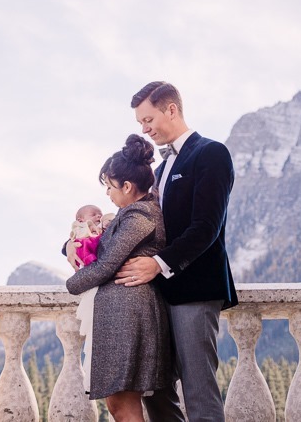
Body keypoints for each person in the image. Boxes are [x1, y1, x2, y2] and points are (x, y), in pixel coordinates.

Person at [115, 81, 237, 422]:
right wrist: (77, 242)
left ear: (171, 109)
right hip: (155, 295)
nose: (144, 128)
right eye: (140, 123)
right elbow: (136, 220)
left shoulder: (211, 153)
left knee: (199, 392)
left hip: (195, 290)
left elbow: (206, 228)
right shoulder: (159, 170)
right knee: (156, 392)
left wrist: (157, 264)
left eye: (148, 119)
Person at [66, 134, 171, 422]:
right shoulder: (129, 214)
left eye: (110, 187)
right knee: (118, 404)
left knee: (123, 405)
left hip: (127, 315)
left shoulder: (140, 216)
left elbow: (106, 264)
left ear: (127, 186)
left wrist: (71, 285)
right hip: (119, 315)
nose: (108, 195)